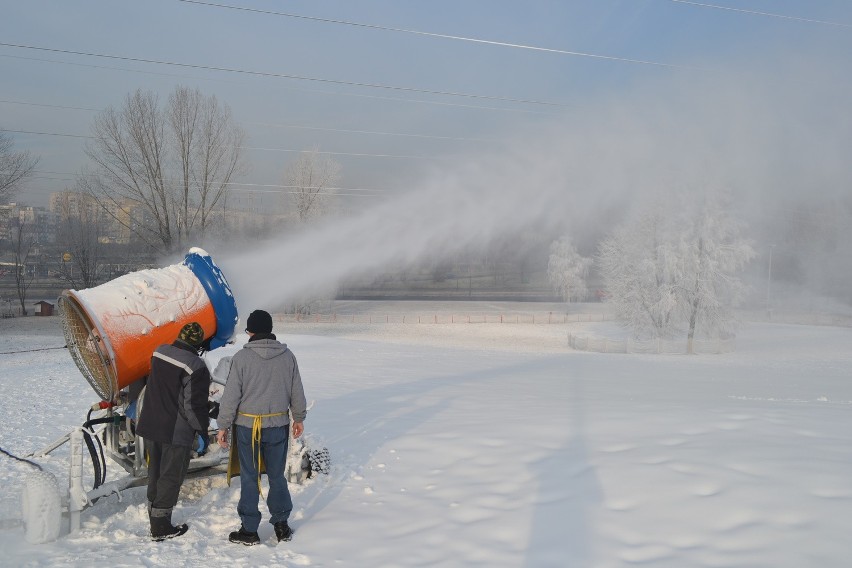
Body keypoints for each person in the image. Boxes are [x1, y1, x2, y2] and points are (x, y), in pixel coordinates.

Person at [216, 309, 307, 546]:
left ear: (250, 332)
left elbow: (230, 397)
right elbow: (297, 391)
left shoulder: (241, 358)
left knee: (249, 476)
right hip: (278, 425)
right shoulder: (288, 356)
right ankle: (281, 525)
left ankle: (249, 530)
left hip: (247, 427)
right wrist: (298, 418)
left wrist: (223, 425)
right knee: (276, 475)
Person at [136, 321, 211, 541]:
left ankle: (153, 513)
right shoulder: (195, 365)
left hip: (151, 423)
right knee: (171, 476)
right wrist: (202, 430)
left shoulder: (159, 352)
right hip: (175, 430)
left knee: (155, 472)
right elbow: (192, 406)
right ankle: (161, 527)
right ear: (197, 343)